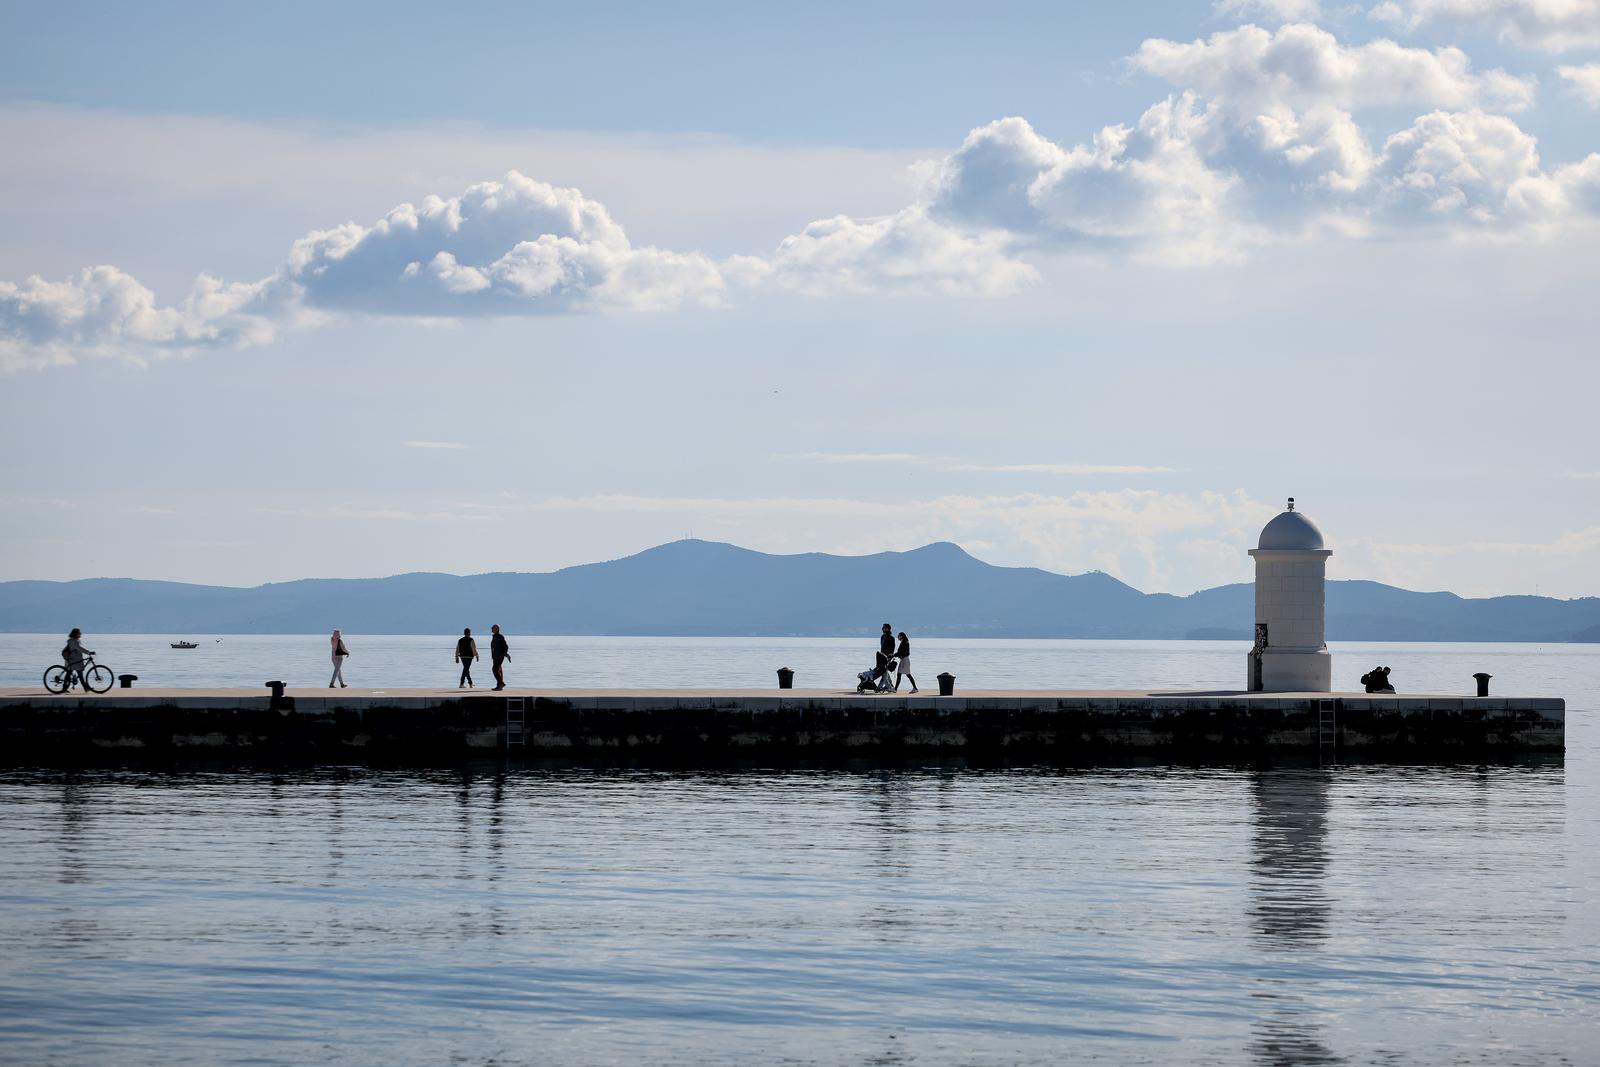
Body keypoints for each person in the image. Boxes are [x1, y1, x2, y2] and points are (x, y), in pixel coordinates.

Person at [63, 628, 94, 692]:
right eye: (79, 633)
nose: (80, 634)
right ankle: (85, 688)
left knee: (73, 674)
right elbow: (80, 649)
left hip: (74, 660)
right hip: (73, 660)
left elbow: (79, 649)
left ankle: (85, 688)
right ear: (76, 634)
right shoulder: (73, 641)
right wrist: (88, 652)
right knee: (73, 674)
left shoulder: (74, 640)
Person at [489, 624, 510, 691]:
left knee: (494, 669)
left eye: (493, 628)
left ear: (497, 629)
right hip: (495, 656)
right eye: (491, 628)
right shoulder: (495, 636)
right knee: (499, 670)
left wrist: (504, 654)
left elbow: (506, 647)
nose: (491, 629)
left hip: (499, 656)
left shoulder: (500, 636)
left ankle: (501, 683)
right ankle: (499, 685)